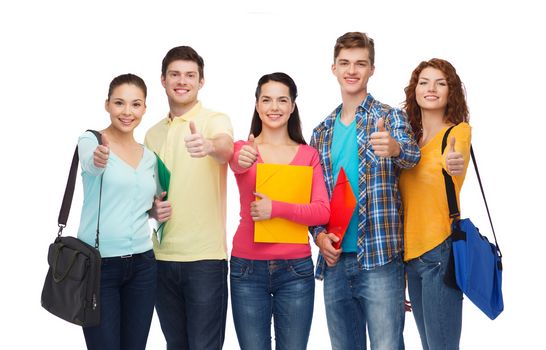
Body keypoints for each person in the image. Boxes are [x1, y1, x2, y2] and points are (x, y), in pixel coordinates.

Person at [309, 32, 421, 350]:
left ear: (372, 69)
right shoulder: (321, 132)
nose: (352, 70)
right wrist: (318, 236)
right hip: (335, 260)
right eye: (345, 63)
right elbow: (313, 198)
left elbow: (413, 156)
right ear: (334, 69)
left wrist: (395, 147)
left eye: (360, 63)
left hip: (380, 258)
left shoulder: (389, 117)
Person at [229, 72, 330, 350]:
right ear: (257, 105)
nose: (274, 107)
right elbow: (232, 160)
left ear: (292, 106)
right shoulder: (244, 149)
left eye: (282, 100)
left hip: (295, 270)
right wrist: (238, 157)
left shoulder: (308, 155)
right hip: (246, 268)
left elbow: (322, 212)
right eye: (267, 100)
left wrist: (275, 208)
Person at [144, 46, 234, 350]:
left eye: (190, 75)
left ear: (201, 82)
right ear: (163, 79)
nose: (182, 81)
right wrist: (152, 210)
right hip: (160, 258)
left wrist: (207, 145)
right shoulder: (152, 134)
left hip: (205, 259)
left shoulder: (214, 120)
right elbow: (150, 192)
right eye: (175, 74)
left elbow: (226, 148)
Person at [78, 73, 172, 350]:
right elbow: (90, 163)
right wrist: (98, 159)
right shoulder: (92, 140)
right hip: (99, 265)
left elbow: (142, 204)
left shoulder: (149, 157)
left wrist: (155, 212)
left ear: (144, 108)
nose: (127, 112)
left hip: (143, 265)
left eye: (135, 104)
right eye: (119, 103)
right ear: (107, 104)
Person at [400, 58, 471, 350]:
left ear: (450, 91)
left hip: (439, 253)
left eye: (440, 83)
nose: (431, 89)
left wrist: (453, 163)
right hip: (409, 258)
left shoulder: (457, 133)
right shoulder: (408, 140)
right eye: (424, 82)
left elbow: (457, 161)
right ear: (414, 90)